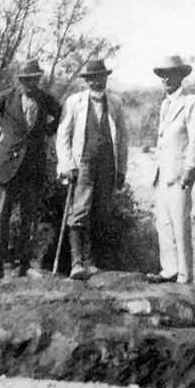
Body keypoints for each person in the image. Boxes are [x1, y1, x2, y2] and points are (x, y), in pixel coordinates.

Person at [0, 58, 61, 279]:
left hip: (33, 166)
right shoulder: (7, 97)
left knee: (28, 216)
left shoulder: (44, 99)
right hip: (7, 165)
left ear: (38, 79)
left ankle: (25, 264)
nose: (30, 83)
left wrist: (46, 132)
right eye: (25, 79)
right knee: (3, 214)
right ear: (20, 80)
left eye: (34, 79)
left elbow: (62, 116)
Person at [55, 59, 129, 280]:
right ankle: (77, 263)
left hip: (107, 164)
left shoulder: (115, 103)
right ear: (86, 81)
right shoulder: (75, 102)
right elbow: (63, 135)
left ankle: (93, 262)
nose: (97, 82)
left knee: (101, 212)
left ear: (106, 78)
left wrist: (122, 169)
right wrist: (67, 164)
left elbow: (123, 138)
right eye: (92, 78)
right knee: (79, 212)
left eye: (100, 77)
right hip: (83, 163)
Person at [145, 55, 195, 284]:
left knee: (180, 223)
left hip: (180, 172)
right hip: (163, 172)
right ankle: (169, 269)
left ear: (181, 76)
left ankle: (184, 274)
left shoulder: (191, 102)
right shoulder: (164, 104)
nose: (166, 79)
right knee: (164, 222)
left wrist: (191, 168)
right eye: (162, 75)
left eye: (171, 74)